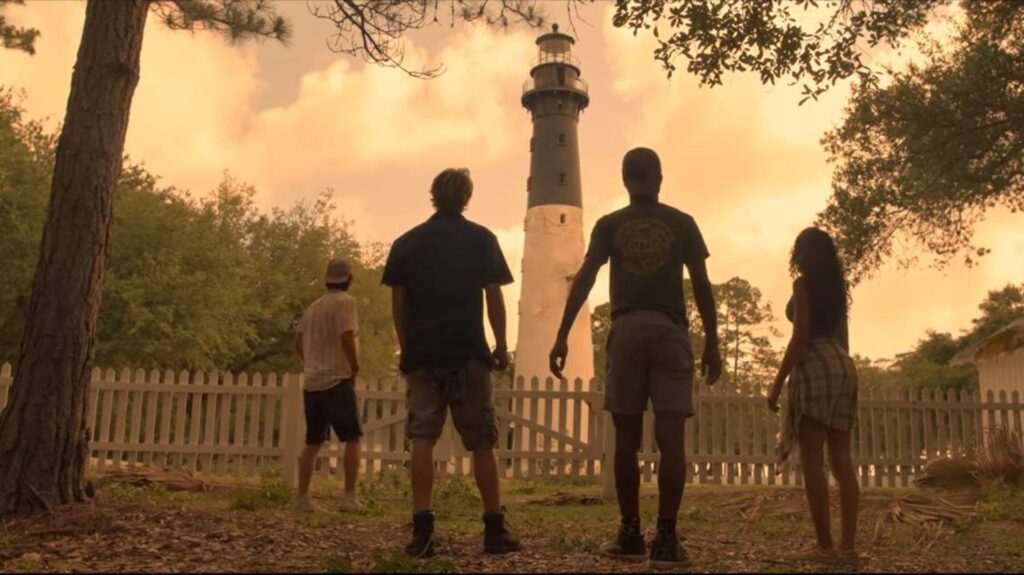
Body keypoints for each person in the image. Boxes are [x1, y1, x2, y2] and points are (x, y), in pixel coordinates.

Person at [549, 147, 722, 568]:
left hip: (626, 332)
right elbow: (701, 284)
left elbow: (587, 277)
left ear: (625, 180)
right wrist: (713, 341)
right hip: (669, 331)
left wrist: (562, 334)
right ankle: (666, 537)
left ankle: (630, 534)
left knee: (624, 441)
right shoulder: (682, 223)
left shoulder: (610, 225)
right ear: (659, 178)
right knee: (671, 440)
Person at [382, 168, 520, 558]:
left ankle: (422, 530)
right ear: (466, 197)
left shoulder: (407, 243)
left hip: (424, 354)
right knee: (481, 442)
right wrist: (501, 344)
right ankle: (494, 530)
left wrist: (406, 346)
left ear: (432, 195)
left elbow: (399, 303)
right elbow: (494, 296)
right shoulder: (481, 239)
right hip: (467, 353)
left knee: (422, 438)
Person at [767, 227, 859, 564]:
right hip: (842, 363)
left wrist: (778, 382)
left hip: (815, 365)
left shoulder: (802, 285)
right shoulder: (837, 287)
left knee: (812, 461)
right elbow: (838, 332)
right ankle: (848, 549)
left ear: (800, 253)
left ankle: (824, 547)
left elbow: (800, 335)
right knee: (842, 460)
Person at [293, 259, 364, 513]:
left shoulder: (313, 308)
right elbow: (346, 335)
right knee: (353, 438)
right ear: (349, 279)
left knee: (312, 441)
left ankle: (302, 497)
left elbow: (298, 342)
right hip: (337, 379)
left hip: (313, 382)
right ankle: (349, 496)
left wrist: (312, 360)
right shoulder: (346, 303)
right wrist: (353, 365)